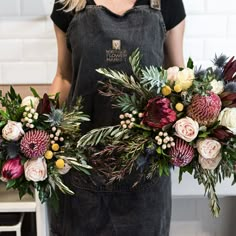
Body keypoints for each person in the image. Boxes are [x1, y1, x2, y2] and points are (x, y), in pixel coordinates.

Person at [49, 0, 186, 235]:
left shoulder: (167, 3)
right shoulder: (68, 4)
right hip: (79, 174)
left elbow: (177, 75)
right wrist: (33, 128)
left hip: (146, 179)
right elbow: (64, 77)